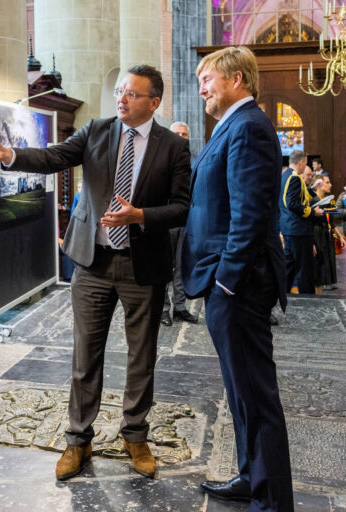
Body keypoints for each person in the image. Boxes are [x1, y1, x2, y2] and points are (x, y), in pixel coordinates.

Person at [0, 64, 191, 481]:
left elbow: (181, 207)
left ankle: (135, 435)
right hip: (93, 263)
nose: (121, 99)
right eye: (120, 91)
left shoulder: (173, 146)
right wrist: (8, 155)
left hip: (143, 265)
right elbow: (53, 157)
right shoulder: (96, 131)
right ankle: (78, 440)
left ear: (154, 102)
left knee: (141, 357)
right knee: (85, 355)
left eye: (132, 94)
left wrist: (140, 216)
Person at [182, 45, 293, 511]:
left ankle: (272, 502)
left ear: (236, 79)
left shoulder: (247, 126)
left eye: (208, 79)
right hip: (230, 281)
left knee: (255, 395)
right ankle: (253, 477)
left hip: (239, 284)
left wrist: (226, 281)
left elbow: (249, 215)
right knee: (240, 390)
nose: (202, 89)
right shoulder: (234, 125)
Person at [162, 121, 198, 326]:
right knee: (165, 267)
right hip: (165, 221)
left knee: (182, 266)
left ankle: (180, 307)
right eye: (177, 133)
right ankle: (164, 309)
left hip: (185, 221)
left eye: (184, 134)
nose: (181, 137)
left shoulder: (194, 160)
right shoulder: (160, 157)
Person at [280, 151, 322, 295]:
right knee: (304, 269)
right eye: (305, 163)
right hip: (298, 229)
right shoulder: (294, 177)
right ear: (302, 162)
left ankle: (282, 295)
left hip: (288, 227)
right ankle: (308, 300)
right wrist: (312, 212)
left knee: (289, 267)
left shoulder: (284, 175)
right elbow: (292, 203)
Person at [312, 174, 344, 290]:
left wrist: (339, 236)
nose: (330, 185)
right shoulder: (312, 201)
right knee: (320, 263)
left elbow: (330, 221)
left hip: (327, 234)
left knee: (328, 260)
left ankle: (326, 282)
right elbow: (308, 224)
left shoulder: (327, 201)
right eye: (327, 182)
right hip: (317, 235)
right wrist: (311, 242)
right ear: (319, 185)